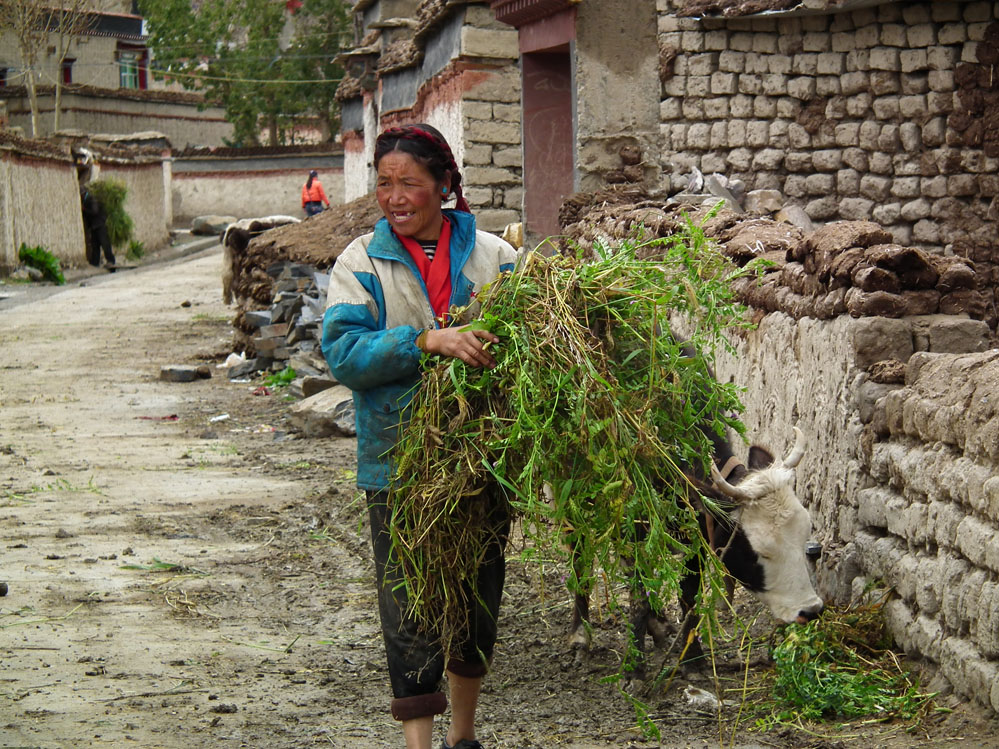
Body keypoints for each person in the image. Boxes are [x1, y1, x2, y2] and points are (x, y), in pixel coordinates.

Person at [321, 124, 518, 749]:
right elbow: (344, 353)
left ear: (444, 186)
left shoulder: (496, 257)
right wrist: (424, 340)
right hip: (399, 462)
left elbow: (532, 344)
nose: (394, 195)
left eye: (409, 182)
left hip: (481, 457)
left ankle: (464, 738)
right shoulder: (362, 261)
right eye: (384, 183)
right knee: (408, 608)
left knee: (477, 598)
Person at [80, 182, 116, 271]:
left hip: (100, 225)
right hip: (94, 226)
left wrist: (84, 210)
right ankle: (95, 262)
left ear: (83, 193)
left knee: (105, 243)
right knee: (95, 245)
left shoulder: (91, 199)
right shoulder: (86, 200)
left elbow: (94, 211)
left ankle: (111, 261)